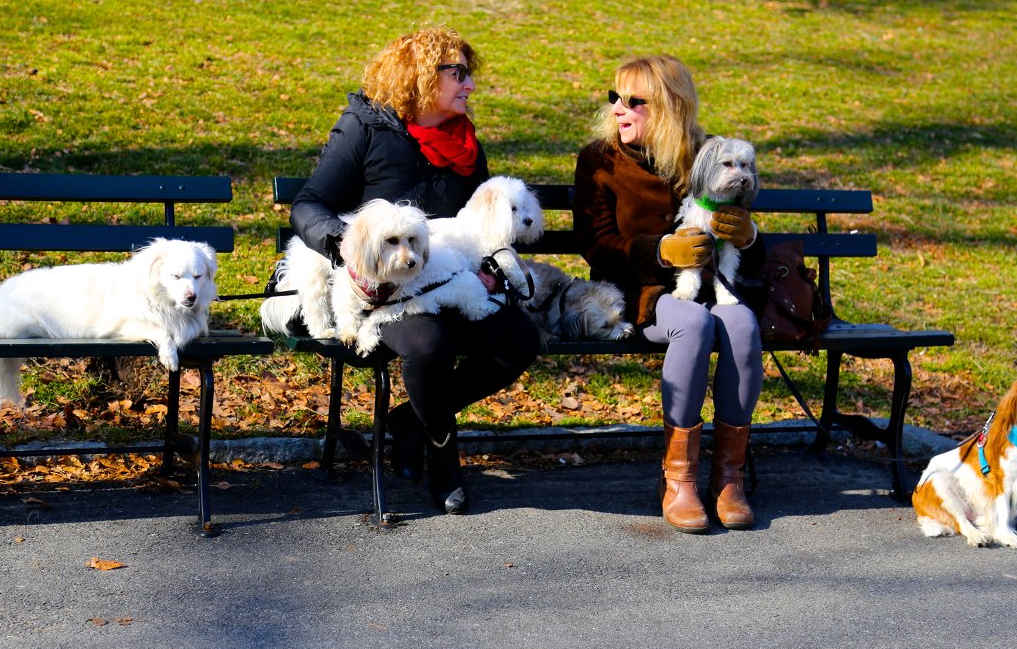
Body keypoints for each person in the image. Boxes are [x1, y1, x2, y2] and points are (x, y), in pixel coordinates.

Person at [290, 27, 539, 515]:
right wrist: (347, 246)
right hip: (387, 291)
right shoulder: (365, 127)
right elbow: (308, 205)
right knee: (430, 343)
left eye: (469, 75)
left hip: (450, 280)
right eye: (458, 74)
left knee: (519, 342)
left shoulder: (466, 145)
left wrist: (490, 267)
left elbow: (485, 225)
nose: (469, 85)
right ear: (423, 78)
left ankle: (410, 422)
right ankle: (445, 460)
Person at [573, 55, 765, 534]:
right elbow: (595, 246)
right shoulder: (601, 158)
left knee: (741, 324)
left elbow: (743, 239)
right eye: (615, 97)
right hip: (639, 293)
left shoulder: (708, 152)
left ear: (670, 107)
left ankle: (728, 478)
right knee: (694, 323)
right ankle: (677, 479)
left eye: (635, 101)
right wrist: (660, 250)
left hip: (712, 285)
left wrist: (747, 236)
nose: (620, 108)